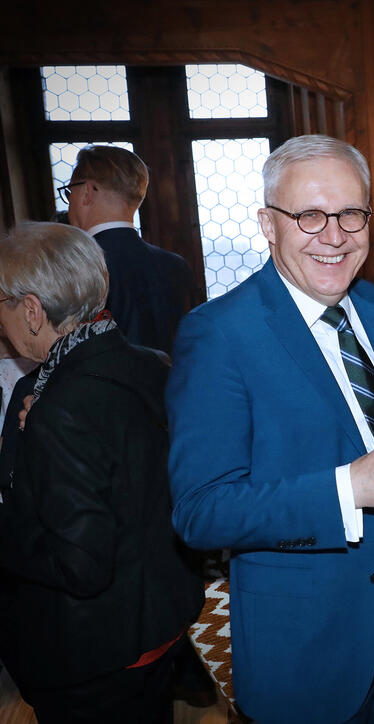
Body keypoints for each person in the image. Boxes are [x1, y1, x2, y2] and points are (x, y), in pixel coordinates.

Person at [166, 134, 374, 724]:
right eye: (309, 215)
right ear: (268, 225)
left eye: (351, 214)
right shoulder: (219, 335)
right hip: (305, 640)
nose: (334, 235)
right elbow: (201, 512)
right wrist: (348, 489)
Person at [0, 221, 204, 723]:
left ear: (31, 310)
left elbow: (81, 566)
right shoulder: (151, 363)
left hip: (95, 651)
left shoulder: (57, 404)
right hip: (159, 621)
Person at [63, 144, 199, 355]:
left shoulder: (76, 266)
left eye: (69, 192)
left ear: (87, 192)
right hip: (177, 386)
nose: (69, 201)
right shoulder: (176, 265)